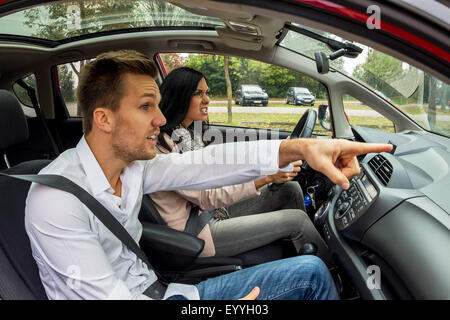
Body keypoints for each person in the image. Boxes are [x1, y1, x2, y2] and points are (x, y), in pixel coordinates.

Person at [24, 50, 392, 300]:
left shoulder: (132, 167)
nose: (161, 119)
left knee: (310, 272)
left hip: (166, 291)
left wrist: (298, 148)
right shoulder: (56, 201)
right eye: (145, 107)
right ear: (104, 119)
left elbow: (205, 164)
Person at [149, 66, 333, 266]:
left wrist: (274, 159)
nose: (207, 100)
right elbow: (207, 196)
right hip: (198, 233)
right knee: (297, 221)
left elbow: (220, 172)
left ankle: (297, 253)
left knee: (290, 188)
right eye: (198, 93)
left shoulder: (188, 135)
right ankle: (333, 275)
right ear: (179, 96)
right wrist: (267, 177)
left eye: (207, 93)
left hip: (211, 212)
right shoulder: (164, 147)